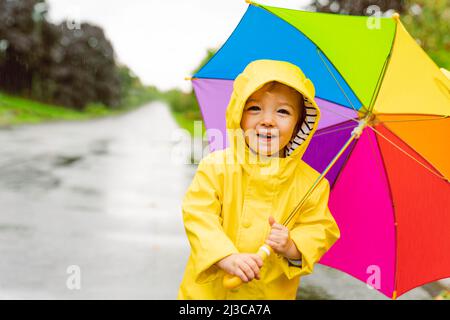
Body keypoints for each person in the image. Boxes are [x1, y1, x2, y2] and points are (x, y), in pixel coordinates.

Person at [177, 59, 340, 299]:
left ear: (299, 126)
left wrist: (291, 247)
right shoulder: (216, 167)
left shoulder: (312, 185)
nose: (267, 120)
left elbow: (319, 229)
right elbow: (199, 215)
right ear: (239, 115)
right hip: (208, 296)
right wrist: (225, 256)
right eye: (254, 108)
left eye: (283, 111)